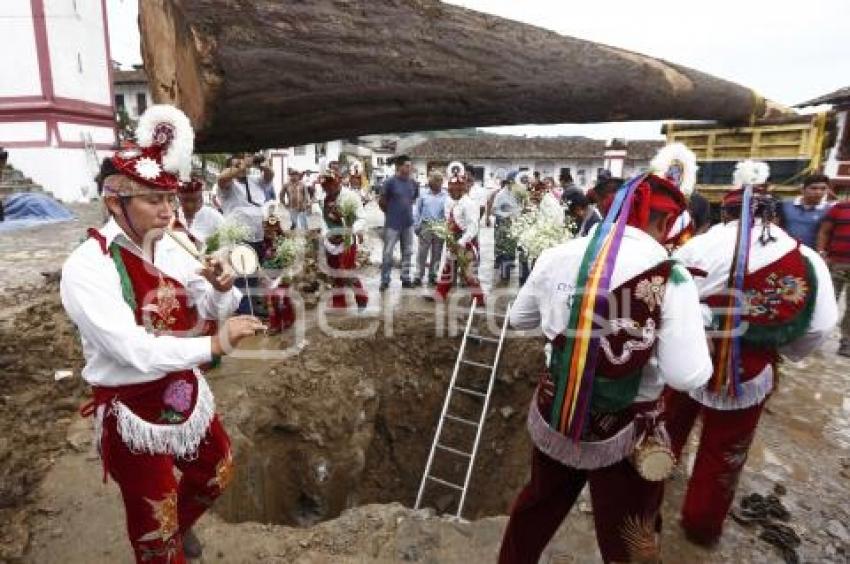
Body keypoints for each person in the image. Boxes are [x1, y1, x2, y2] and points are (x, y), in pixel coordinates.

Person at [60, 105, 264, 564]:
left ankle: (181, 526)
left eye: (170, 200)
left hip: (183, 388)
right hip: (132, 405)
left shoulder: (174, 242)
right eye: (155, 200)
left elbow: (208, 309)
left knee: (216, 473)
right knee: (155, 532)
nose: (168, 211)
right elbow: (132, 350)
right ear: (116, 202)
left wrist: (220, 289)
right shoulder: (87, 267)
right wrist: (214, 344)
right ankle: (167, 539)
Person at [498, 173, 713, 564]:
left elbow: (518, 319)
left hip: (558, 409)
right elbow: (687, 376)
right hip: (628, 428)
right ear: (666, 223)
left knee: (538, 504)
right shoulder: (670, 276)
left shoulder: (558, 254)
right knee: (630, 529)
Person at [665, 161, 838, 546]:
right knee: (724, 452)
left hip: (689, 357)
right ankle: (700, 524)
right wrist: (784, 351)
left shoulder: (697, 247)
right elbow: (821, 327)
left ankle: (647, 490)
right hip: (750, 369)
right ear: (774, 215)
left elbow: (665, 302)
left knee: (668, 427)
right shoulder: (806, 258)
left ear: (724, 211)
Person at [434, 169, 485, 306]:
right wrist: (448, 237)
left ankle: (479, 299)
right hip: (453, 240)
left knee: (468, 273)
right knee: (448, 269)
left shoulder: (469, 204)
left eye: (454, 190)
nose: (451, 193)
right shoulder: (450, 202)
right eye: (450, 190)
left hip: (466, 243)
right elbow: (448, 221)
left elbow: (473, 227)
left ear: (461, 190)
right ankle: (440, 295)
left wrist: (461, 242)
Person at [321, 169, 369, 310]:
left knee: (348, 272)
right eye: (325, 186)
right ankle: (339, 303)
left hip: (347, 241)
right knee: (334, 273)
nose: (327, 188)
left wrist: (350, 230)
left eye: (330, 184)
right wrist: (326, 234)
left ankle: (361, 299)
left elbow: (362, 218)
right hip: (330, 241)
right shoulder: (324, 198)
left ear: (337, 182)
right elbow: (323, 220)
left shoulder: (351, 197)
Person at [378, 155, 418, 290]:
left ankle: (406, 278)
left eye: (410, 165)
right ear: (399, 167)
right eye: (407, 165)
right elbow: (382, 201)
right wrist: (391, 213)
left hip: (408, 223)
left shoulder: (413, 183)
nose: (409, 168)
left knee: (407, 252)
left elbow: (413, 199)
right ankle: (385, 280)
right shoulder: (390, 182)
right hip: (392, 224)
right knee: (388, 252)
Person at [817, 195, 850, 356]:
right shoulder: (839, 208)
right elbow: (824, 231)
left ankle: (846, 341)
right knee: (827, 301)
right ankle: (817, 337)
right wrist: (822, 253)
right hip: (836, 262)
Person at [777, 174, 831, 249]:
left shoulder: (829, 210)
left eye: (823, 189)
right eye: (814, 188)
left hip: (811, 255)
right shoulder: (785, 205)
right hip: (785, 251)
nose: (818, 192)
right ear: (802, 189)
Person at [414, 171, 448, 286]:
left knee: (437, 253)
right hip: (425, 225)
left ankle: (432, 276)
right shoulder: (423, 194)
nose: (435, 184)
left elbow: (448, 213)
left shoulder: (446, 196)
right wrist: (416, 225)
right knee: (422, 252)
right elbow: (417, 211)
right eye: (433, 181)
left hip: (440, 226)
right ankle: (418, 275)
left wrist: (447, 228)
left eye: (438, 181)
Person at [174, 177, 223, 246]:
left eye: (195, 200)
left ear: (201, 198)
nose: (190, 205)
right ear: (178, 197)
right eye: (186, 200)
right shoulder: (172, 217)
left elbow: (227, 239)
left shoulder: (214, 216)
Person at [491, 179, 521, 281]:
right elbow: (493, 210)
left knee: (511, 249)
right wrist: (506, 215)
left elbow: (518, 208)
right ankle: (504, 273)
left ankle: (506, 272)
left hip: (514, 224)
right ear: (508, 183)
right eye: (512, 183)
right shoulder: (500, 195)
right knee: (503, 249)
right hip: (503, 224)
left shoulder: (515, 194)